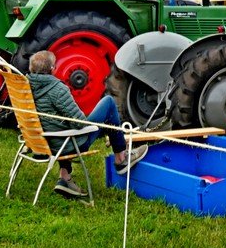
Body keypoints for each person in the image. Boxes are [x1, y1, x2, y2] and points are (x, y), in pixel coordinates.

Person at [27, 50, 148, 198]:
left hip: (44, 140)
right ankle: (121, 158)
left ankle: (65, 177)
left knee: (60, 125)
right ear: (53, 69)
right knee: (109, 103)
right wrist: (97, 121)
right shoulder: (57, 89)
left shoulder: (27, 86)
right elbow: (79, 124)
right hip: (67, 144)